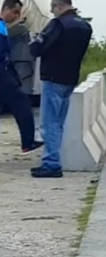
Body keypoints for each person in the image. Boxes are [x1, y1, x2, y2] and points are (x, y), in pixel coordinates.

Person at [29, 0, 94, 178]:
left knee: (49, 122)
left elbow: (38, 48)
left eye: (53, 8)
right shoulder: (84, 26)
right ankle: (54, 159)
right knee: (60, 122)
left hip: (52, 76)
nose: (52, 12)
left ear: (59, 6)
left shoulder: (58, 24)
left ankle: (51, 163)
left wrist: (34, 42)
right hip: (70, 78)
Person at [0, 0, 42, 164]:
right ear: (7, 9)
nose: (17, 17)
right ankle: (28, 142)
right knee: (22, 104)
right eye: (16, 13)